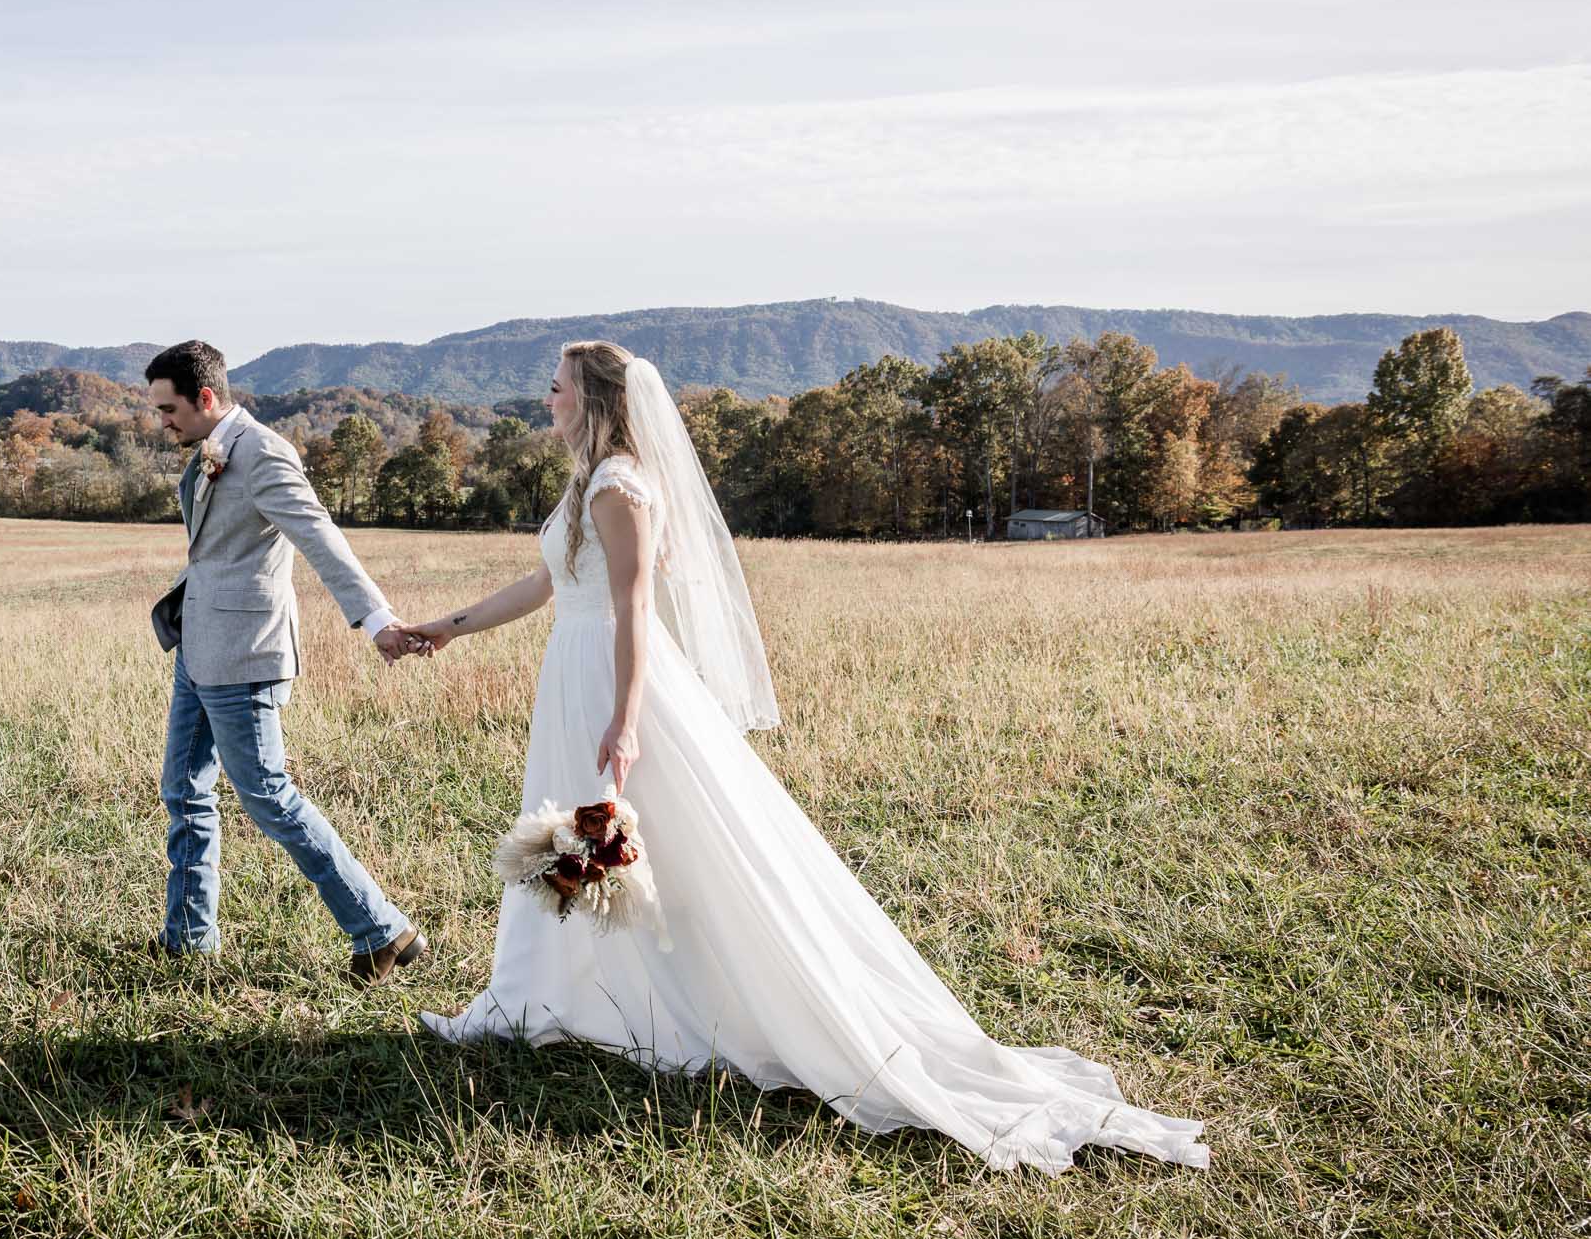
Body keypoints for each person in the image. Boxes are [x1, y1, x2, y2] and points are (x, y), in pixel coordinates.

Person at [406, 340, 1211, 1175]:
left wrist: (627, 715)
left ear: (597, 399)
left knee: (658, 846)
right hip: (571, 677)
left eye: (558, 387)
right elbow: (542, 587)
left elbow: (634, 604)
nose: (548, 399)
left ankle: (694, 999)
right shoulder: (586, 482)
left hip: (613, 679)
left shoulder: (618, 485)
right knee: (580, 838)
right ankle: (560, 988)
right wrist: (446, 628)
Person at [143, 339, 433, 983]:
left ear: (206, 399)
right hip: (198, 647)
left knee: (269, 797)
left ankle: (382, 929)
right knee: (184, 790)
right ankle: (189, 938)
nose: (161, 420)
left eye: (169, 408)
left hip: (246, 656)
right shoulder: (214, 450)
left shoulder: (263, 452)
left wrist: (376, 619)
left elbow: (318, 536)